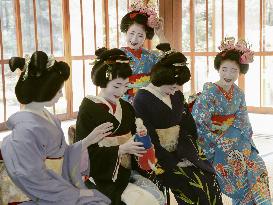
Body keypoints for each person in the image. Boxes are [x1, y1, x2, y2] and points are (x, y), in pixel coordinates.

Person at [1, 51, 111, 205]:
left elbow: (63, 156)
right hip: (38, 196)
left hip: (56, 187)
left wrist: (87, 141)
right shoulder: (24, 133)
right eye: (59, 91)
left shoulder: (48, 117)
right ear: (43, 91)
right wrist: (76, 193)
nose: (61, 96)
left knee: (99, 198)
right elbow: (35, 180)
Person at [74, 48, 165, 205]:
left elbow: (136, 139)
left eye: (125, 86)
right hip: (101, 174)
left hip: (127, 170)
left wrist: (141, 139)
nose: (122, 92)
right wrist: (121, 149)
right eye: (116, 86)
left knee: (155, 193)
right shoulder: (88, 107)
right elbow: (83, 150)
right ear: (102, 81)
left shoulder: (126, 107)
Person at [133, 46, 223, 205]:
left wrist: (187, 154)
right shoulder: (142, 98)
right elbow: (147, 136)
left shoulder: (177, 95)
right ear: (161, 78)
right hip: (156, 157)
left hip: (181, 151)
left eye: (178, 86)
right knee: (192, 185)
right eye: (172, 86)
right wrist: (172, 161)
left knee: (209, 179)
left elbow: (187, 127)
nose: (175, 90)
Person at [192, 37, 271, 204]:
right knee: (238, 170)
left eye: (234, 70)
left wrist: (240, 141)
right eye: (224, 69)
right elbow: (199, 124)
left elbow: (243, 122)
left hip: (237, 141)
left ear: (240, 72)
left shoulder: (239, 93)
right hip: (215, 145)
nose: (228, 75)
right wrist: (221, 140)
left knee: (257, 165)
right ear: (218, 69)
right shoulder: (209, 93)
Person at [120, 0, 168, 103]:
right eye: (131, 33)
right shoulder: (118, 55)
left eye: (140, 35)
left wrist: (160, 34)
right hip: (125, 102)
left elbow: (169, 58)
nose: (134, 39)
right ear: (125, 31)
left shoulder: (150, 56)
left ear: (146, 36)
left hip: (148, 100)